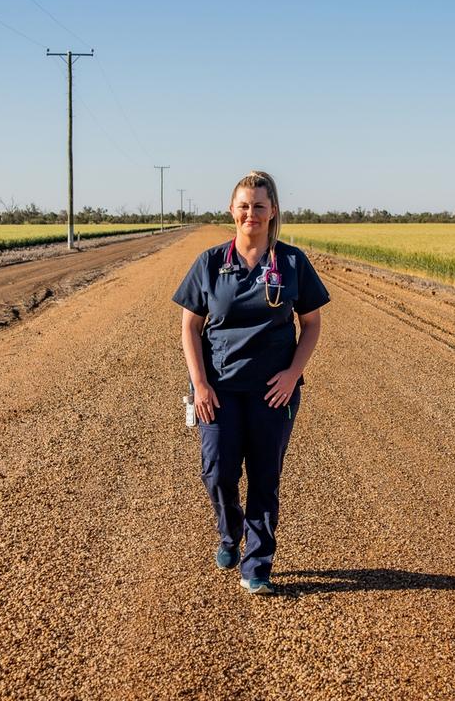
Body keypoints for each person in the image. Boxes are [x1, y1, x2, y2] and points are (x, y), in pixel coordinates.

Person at [171, 171, 330, 595]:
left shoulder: (292, 263)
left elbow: (311, 324)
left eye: (260, 206)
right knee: (219, 471)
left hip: (272, 392)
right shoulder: (210, 263)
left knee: (264, 475)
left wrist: (293, 374)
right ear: (232, 210)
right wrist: (199, 384)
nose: (251, 214)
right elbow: (190, 327)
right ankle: (229, 531)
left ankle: (257, 563)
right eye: (244, 205)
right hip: (218, 388)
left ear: (273, 210)